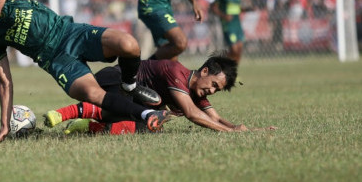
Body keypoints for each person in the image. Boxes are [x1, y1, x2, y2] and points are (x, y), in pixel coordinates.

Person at [0, 0, 173, 143]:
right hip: (55, 59)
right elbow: (5, 83)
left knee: (129, 45)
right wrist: (4, 126)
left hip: (70, 32)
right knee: (91, 94)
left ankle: (130, 85)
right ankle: (148, 115)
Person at [47, 53, 276, 135]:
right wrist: (228, 133)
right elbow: (192, 114)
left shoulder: (196, 90)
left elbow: (213, 118)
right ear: (204, 70)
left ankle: (88, 126)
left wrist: (243, 129)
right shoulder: (176, 72)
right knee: (155, 105)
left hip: (126, 100)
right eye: (214, 84)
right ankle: (69, 112)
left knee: (153, 124)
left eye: (217, 89)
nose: (212, 91)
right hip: (111, 82)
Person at [211, 0, 247, 64]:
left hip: (237, 23)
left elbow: (238, 8)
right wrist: (223, 15)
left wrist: (246, 9)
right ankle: (220, 62)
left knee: (239, 50)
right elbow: (213, 8)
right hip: (228, 24)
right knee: (234, 49)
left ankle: (233, 72)